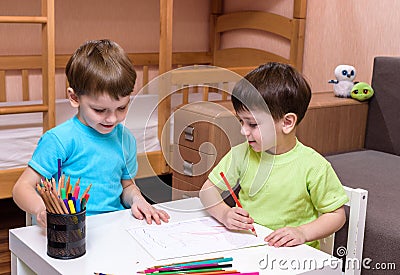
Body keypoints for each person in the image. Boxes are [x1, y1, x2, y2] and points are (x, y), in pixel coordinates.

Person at [13, 39, 170, 227]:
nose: (112, 119)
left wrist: (138, 200)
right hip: (72, 229)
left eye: (121, 107)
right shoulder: (59, 140)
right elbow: (21, 188)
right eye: (99, 110)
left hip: (114, 226)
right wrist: (41, 209)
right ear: (74, 98)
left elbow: (126, 186)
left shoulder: (125, 139)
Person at [199, 62, 348, 249]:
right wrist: (224, 214)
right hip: (249, 247)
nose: (243, 131)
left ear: (287, 122)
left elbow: (336, 215)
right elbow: (207, 191)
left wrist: (302, 232)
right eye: (241, 121)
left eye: (252, 124)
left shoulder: (314, 165)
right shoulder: (241, 153)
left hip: (294, 258)